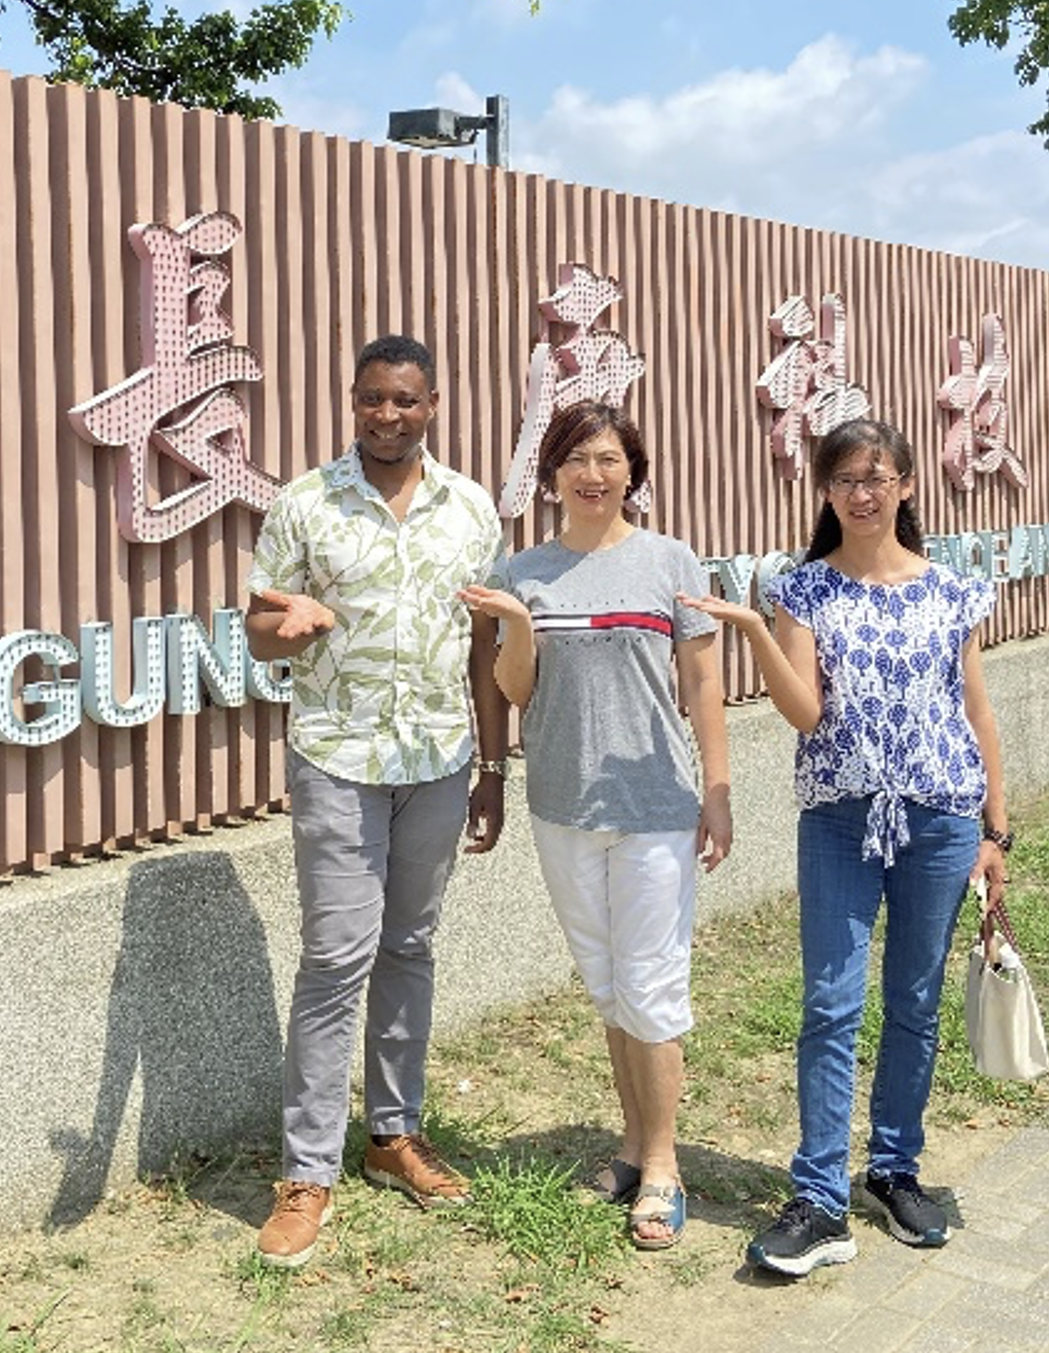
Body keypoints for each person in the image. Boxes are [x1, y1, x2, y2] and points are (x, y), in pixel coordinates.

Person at [682, 416, 1010, 1277]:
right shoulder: (804, 593)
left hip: (941, 817)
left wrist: (994, 830)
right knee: (831, 1003)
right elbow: (806, 715)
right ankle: (820, 1197)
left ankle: (894, 1171)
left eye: (878, 477)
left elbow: (975, 717)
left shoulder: (953, 591)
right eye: (844, 480)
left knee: (914, 1001)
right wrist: (757, 633)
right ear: (825, 492)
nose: (862, 494)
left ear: (906, 485)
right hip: (839, 820)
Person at [243, 333, 509, 1270]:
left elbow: (485, 651)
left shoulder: (472, 510)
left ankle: (392, 1137)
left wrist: (493, 769)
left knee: (409, 948)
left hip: (438, 760)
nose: (386, 416)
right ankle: (306, 1172)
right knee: (334, 958)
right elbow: (258, 632)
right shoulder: (305, 504)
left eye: (404, 400)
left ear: (433, 403)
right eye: (371, 400)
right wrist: (291, 624)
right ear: (352, 402)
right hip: (338, 761)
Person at [456, 401, 731, 1253]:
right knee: (609, 982)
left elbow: (703, 685)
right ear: (552, 474)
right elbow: (511, 690)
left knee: (652, 987)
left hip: (655, 805)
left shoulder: (669, 561)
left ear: (631, 471)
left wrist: (717, 788)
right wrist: (520, 624)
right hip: (563, 808)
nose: (593, 473)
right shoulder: (524, 572)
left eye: (609, 458)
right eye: (576, 457)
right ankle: (629, 1142)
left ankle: (662, 1166)